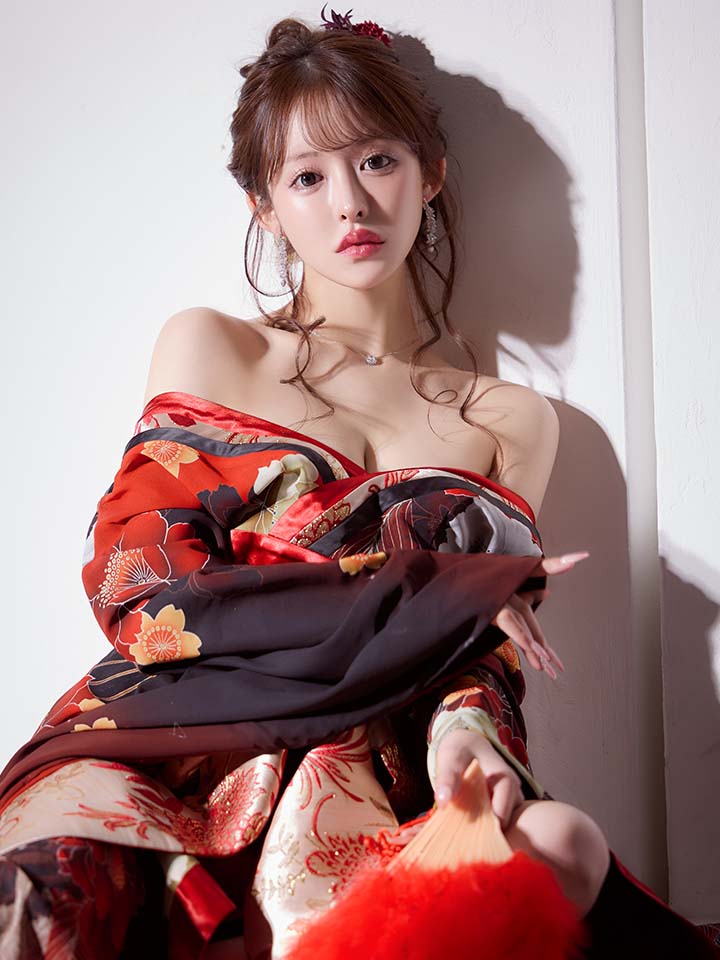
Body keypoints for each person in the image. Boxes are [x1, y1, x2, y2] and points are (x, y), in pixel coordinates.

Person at [0, 9, 717, 960]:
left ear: (431, 173)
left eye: (377, 161)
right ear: (264, 205)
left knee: (559, 844)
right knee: (40, 895)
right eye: (308, 176)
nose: (350, 204)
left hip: (379, 763)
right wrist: (422, 586)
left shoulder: (510, 421)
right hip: (169, 738)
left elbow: (483, 648)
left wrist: (469, 742)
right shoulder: (214, 347)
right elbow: (142, 589)